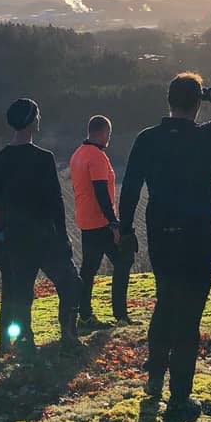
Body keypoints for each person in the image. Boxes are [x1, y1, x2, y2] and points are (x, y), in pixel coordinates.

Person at [119, 73, 211, 419]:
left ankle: (153, 382)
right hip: (199, 233)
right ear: (197, 104)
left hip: (160, 230)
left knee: (165, 301)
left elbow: (131, 188)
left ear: (168, 100)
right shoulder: (207, 136)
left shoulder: (146, 139)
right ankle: (180, 396)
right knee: (190, 313)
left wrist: (125, 229)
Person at [0, 98, 83, 355]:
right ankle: (68, 335)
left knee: (21, 294)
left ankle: (26, 341)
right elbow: (56, 203)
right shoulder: (44, 158)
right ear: (31, 121)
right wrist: (64, 238)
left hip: (16, 238)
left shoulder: (1, 159)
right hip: (45, 237)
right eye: (37, 115)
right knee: (71, 284)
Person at [70, 115, 134, 329]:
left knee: (88, 270)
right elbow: (101, 191)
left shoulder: (78, 154)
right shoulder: (96, 156)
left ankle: (84, 315)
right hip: (100, 222)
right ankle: (120, 314)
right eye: (109, 134)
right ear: (104, 133)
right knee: (123, 261)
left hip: (85, 220)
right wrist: (114, 223)